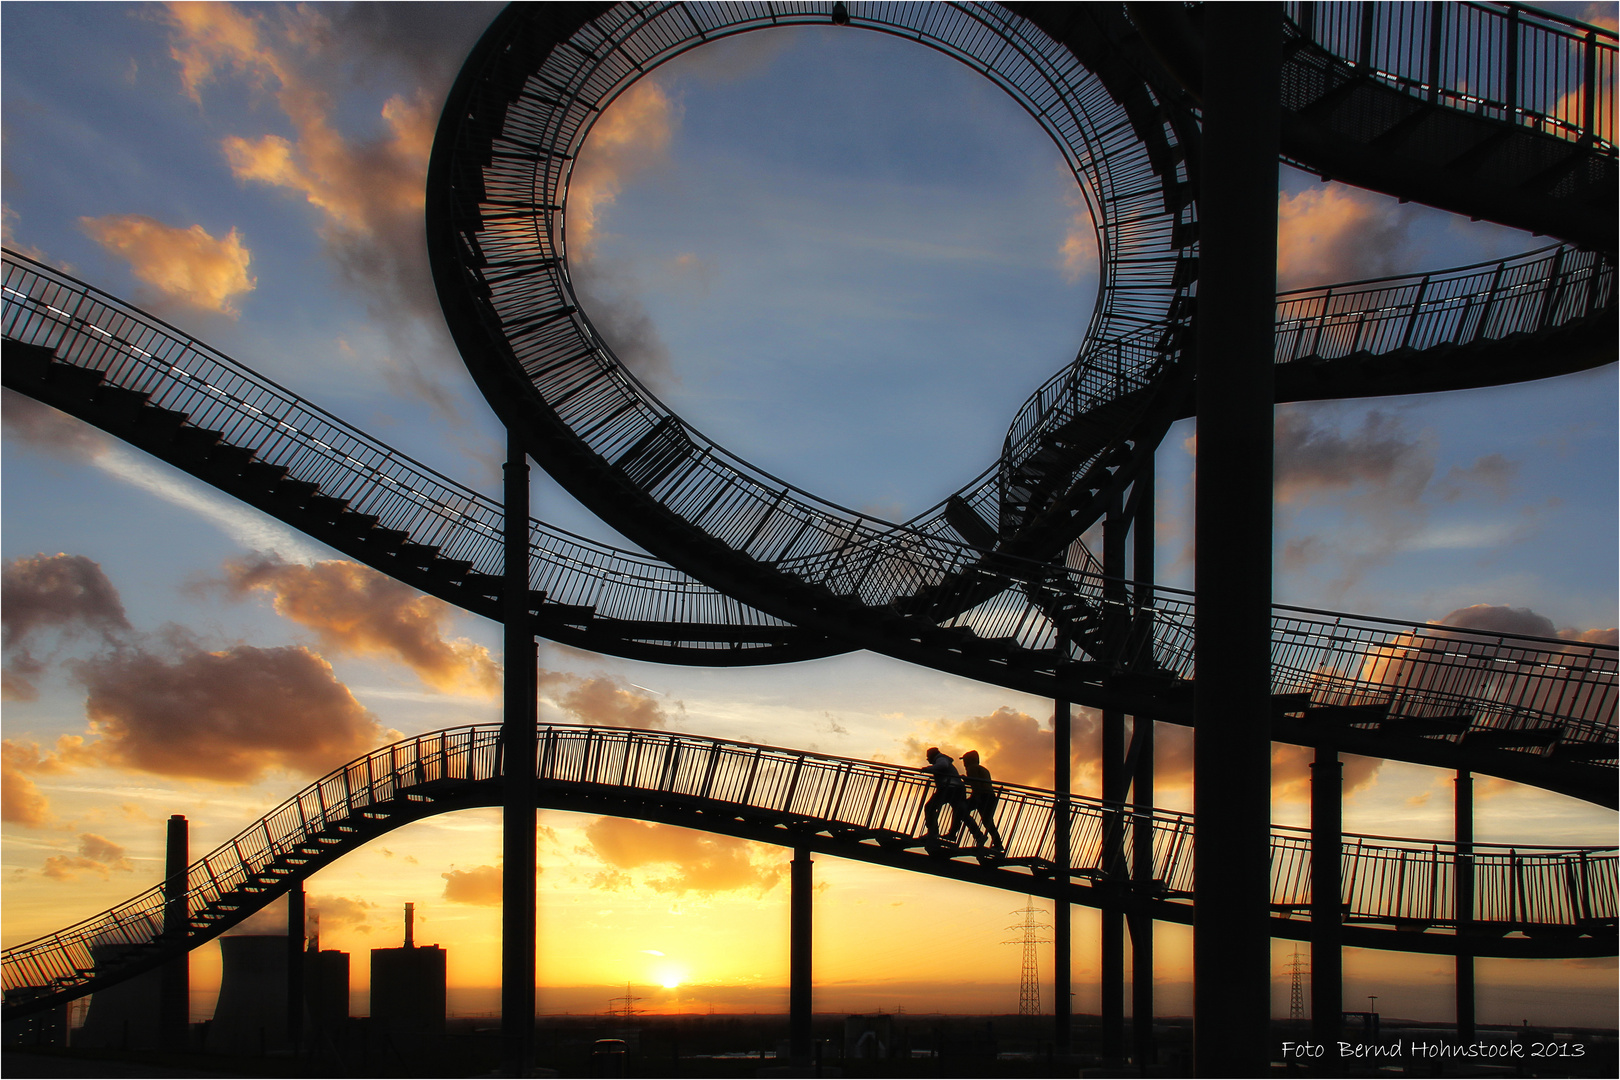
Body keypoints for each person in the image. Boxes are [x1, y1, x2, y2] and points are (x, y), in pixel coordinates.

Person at [920, 747, 985, 848]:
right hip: (957, 788)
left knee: (930, 807)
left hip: (949, 788)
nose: (928, 759)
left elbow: (943, 765)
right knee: (961, 812)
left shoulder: (940, 759)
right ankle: (978, 835)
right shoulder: (942, 759)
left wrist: (928, 769)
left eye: (928, 757)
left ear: (933, 755)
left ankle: (933, 833)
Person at [960, 750, 1005, 855]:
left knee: (961, 810)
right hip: (989, 796)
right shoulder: (982, 769)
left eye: (965, 760)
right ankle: (998, 845)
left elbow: (976, 783)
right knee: (987, 821)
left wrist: (976, 797)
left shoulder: (972, 768)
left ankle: (977, 835)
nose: (964, 763)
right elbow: (978, 781)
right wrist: (967, 780)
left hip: (981, 796)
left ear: (970, 760)